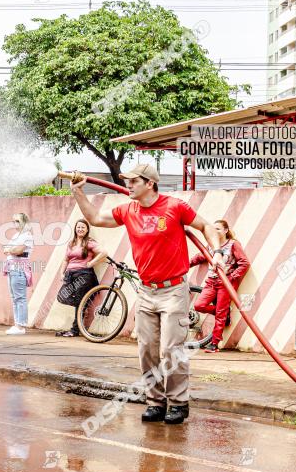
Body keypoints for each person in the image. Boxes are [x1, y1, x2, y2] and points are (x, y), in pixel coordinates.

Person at [71, 164, 221, 424]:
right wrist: (78, 193)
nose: (128, 185)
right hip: (146, 290)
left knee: (171, 349)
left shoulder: (175, 206)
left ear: (150, 183)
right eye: (126, 181)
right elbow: (95, 219)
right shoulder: (128, 210)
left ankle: (178, 403)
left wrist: (216, 252)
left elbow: (206, 227)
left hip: (173, 289)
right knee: (147, 350)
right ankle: (155, 402)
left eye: (133, 181)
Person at [190, 219, 250, 353]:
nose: (215, 231)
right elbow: (201, 256)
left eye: (218, 229)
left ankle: (215, 343)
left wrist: (231, 277)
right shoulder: (212, 245)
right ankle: (224, 313)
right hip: (211, 281)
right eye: (213, 229)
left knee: (220, 313)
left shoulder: (233, 244)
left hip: (226, 284)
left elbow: (244, 263)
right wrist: (186, 264)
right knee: (199, 305)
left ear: (225, 230)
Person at [56, 218, 107, 337]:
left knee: (80, 300)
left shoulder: (89, 242)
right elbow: (65, 259)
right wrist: (61, 273)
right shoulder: (71, 243)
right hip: (70, 275)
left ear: (87, 230)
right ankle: (82, 307)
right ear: (75, 229)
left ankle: (75, 329)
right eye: (78, 227)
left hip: (83, 275)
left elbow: (104, 252)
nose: (80, 229)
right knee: (62, 296)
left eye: (83, 227)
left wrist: (92, 263)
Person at [2, 212, 34, 335]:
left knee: (20, 298)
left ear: (24, 222)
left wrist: (10, 250)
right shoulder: (16, 236)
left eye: (18, 221)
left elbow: (18, 250)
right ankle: (17, 324)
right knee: (14, 298)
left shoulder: (27, 236)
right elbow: (8, 250)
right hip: (12, 268)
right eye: (14, 221)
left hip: (19, 269)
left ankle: (21, 326)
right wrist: (11, 250)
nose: (15, 223)